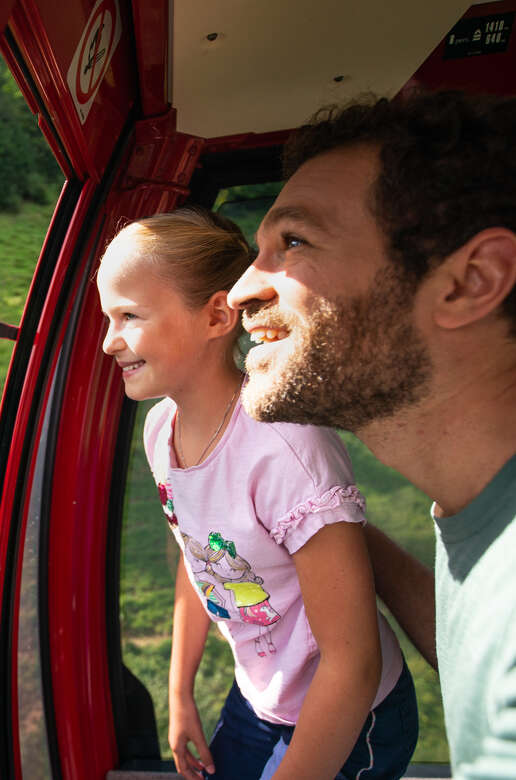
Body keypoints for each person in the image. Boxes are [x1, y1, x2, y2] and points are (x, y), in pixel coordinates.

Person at [226, 89, 516, 778]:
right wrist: (340, 538)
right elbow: (473, 638)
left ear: (470, 282)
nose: (240, 290)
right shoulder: (481, 516)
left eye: (293, 242)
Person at [97, 208, 419, 780]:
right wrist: (180, 694)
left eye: (129, 316)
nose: (108, 342)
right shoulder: (159, 431)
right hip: (259, 698)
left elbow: (352, 663)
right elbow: (202, 557)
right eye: (108, 317)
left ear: (218, 315)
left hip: (352, 712)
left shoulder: (286, 451)